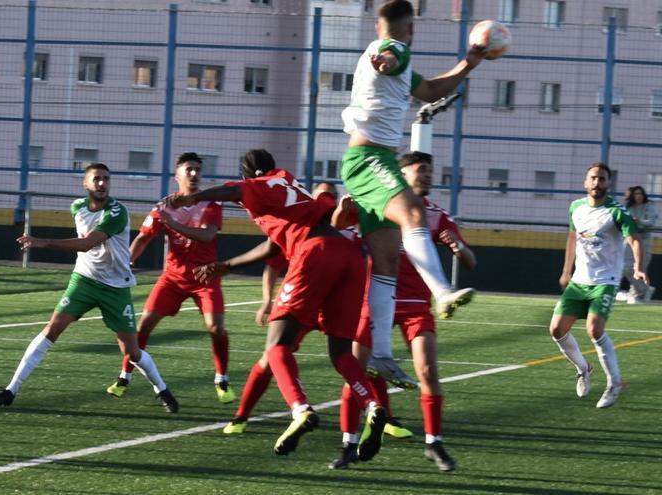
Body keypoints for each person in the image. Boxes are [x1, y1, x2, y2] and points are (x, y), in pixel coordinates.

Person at [163, 150, 387, 461]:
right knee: (340, 351)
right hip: (349, 256)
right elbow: (273, 244)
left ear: (248, 174)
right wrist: (225, 265)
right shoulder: (288, 182)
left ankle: (300, 409)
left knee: (277, 346)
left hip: (315, 253)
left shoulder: (259, 184)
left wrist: (193, 198)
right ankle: (372, 404)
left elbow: (233, 192)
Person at [340, 0, 481, 389]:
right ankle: (442, 292)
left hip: (365, 160)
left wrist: (468, 63)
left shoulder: (396, 61)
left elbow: (432, 89)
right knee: (415, 215)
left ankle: (381, 355)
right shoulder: (395, 50)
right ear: (410, 28)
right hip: (371, 160)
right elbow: (387, 55)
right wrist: (385, 58)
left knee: (385, 263)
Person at [0, 163, 178, 413]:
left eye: (106, 179)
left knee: (131, 351)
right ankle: (11, 390)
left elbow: (87, 243)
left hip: (115, 287)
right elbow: (85, 244)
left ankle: (162, 389)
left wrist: (43, 242)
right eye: (96, 179)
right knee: (51, 330)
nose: (102, 183)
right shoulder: (77, 207)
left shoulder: (117, 212)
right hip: (84, 280)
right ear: (85, 184)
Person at [332, 152, 476, 472]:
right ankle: (348, 444)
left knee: (427, 370)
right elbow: (338, 226)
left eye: (430, 170)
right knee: (354, 371)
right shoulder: (374, 204)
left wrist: (459, 247)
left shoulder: (436, 215)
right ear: (398, 175)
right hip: (374, 303)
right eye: (419, 170)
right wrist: (343, 210)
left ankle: (434, 443)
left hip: (415, 307)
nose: (426, 176)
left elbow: (470, 262)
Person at [110, 153, 233, 403]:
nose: (194, 174)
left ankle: (222, 379)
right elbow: (143, 237)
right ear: (177, 175)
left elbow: (207, 236)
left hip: (205, 276)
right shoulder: (163, 207)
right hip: (173, 278)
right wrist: (127, 262)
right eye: (189, 169)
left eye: (198, 169)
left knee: (216, 328)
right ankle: (124, 376)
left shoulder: (211, 204)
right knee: (144, 325)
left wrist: (170, 223)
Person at [550, 163, 647, 409]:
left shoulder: (616, 211)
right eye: (593, 178)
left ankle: (615, 383)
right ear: (585, 182)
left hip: (606, 281)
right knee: (556, 330)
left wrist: (638, 267)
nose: (597, 183)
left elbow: (634, 239)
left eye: (602, 179)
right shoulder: (576, 207)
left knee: (594, 329)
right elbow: (572, 238)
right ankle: (584, 368)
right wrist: (565, 271)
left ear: (608, 183)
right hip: (580, 280)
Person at [617, 186, 656, 303]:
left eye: (640, 193)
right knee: (625, 267)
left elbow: (651, 222)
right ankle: (645, 289)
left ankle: (636, 294)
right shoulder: (629, 207)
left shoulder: (650, 206)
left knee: (640, 269)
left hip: (644, 240)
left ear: (643, 195)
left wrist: (639, 222)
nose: (638, 196)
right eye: (636, 194)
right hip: (630, 239)